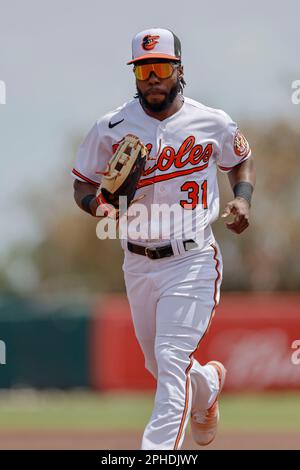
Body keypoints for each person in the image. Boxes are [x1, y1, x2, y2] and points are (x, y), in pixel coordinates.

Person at [72, 28, 256, 450]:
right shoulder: (111, 126)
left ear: (179, 70)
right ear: (135, 75)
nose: (152, 78)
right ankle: (207, 385)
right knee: (157, 363)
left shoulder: (211, 120)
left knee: (171, 361)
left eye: (160, 68)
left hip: (191, 258)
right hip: (137, 261)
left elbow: (240, 160)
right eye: (143, 69)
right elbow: (82, 183)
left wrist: (242, 199)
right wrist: (98, 206)